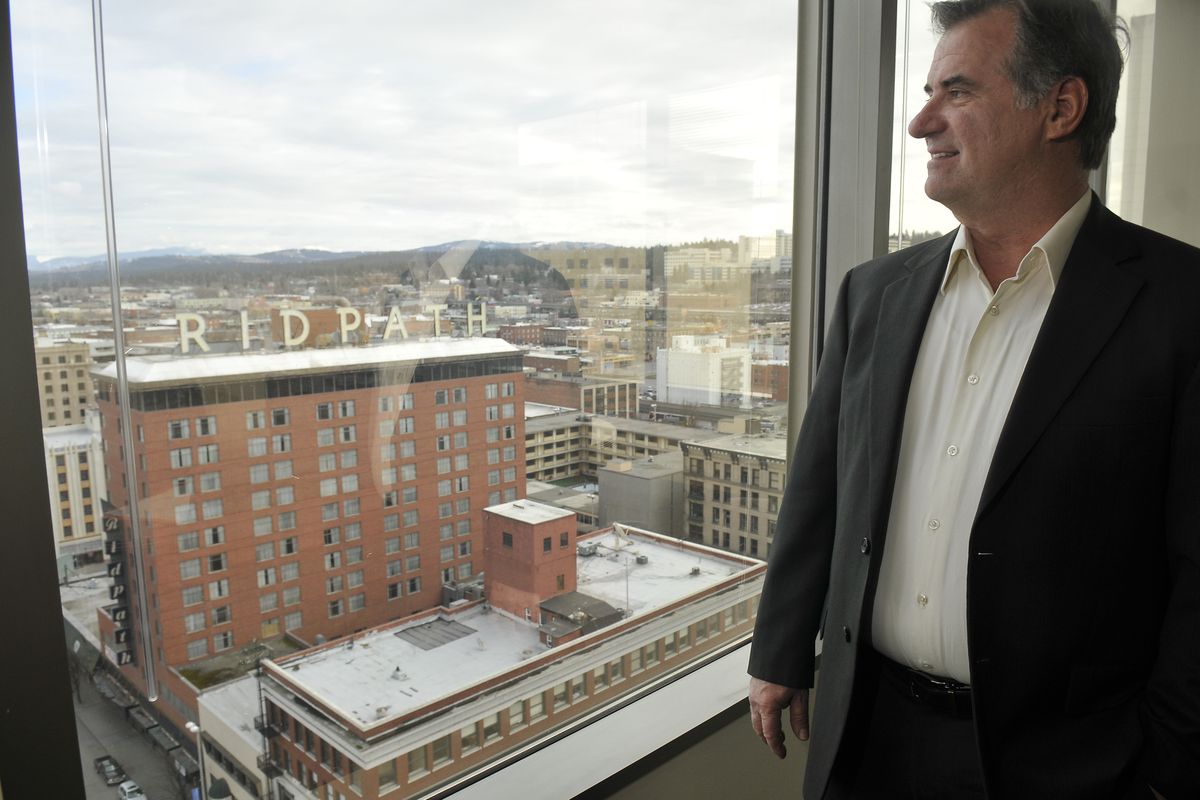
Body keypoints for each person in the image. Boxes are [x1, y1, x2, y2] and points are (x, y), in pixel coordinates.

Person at [746, 1, 1200, 798]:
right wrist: (780, 651)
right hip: (865, 737)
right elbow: (822, 487)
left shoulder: (1180, 304)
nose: (921, 122)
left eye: (957, 91)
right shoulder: (873, 293)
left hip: (1066, 763)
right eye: (926, 91)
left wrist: (1164, 771)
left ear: (1060, 108)